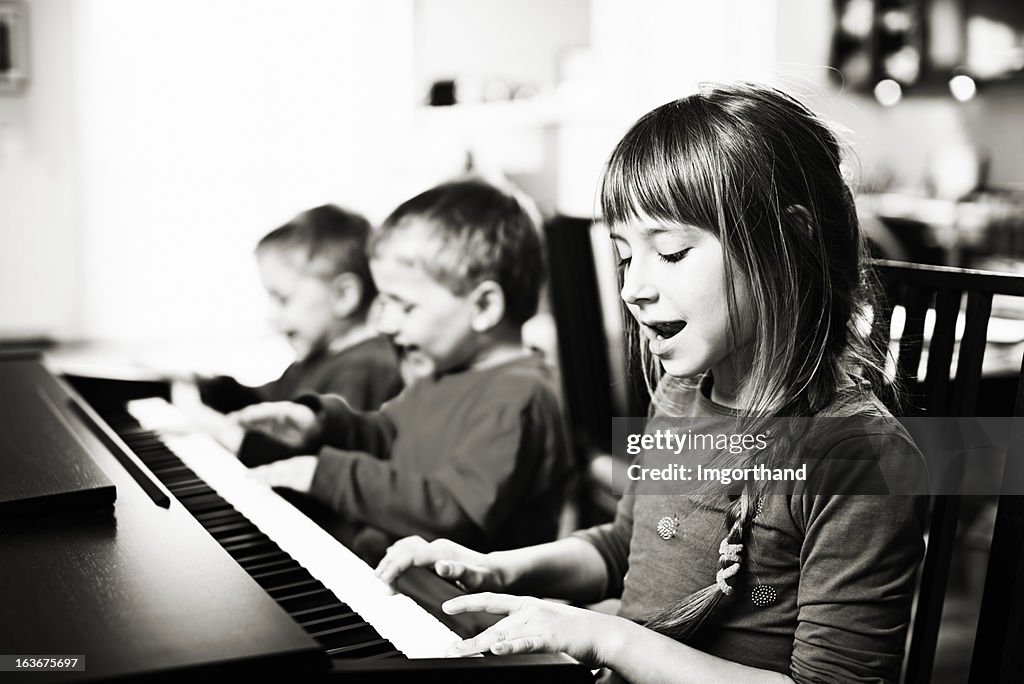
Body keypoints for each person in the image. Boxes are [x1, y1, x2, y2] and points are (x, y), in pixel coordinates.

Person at [373, 83, 929, 683]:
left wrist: (608, 637)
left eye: (669, 253)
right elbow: (623, 549)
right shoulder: (682, 394)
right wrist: (497, 569)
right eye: (623, 255)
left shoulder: (858, 458)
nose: (632, 287)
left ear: (789, 246)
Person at [236, 179, 576, 565]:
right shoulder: (443, 373)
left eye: (405, 306)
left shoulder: (519, 397)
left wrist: (328, 475)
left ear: (483, 306)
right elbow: (387, 436)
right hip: (397, 582)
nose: (386, 324)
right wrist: (322, 425)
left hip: (457, 616)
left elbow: (452, 512)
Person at [192, 204, 403, 463]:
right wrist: (209, 386)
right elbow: (261, 404)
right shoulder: (316, 358)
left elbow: (317, 461)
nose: (271, 315)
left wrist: (231, 436)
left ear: (343, 295)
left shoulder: (365, 369)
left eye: (282, 299)